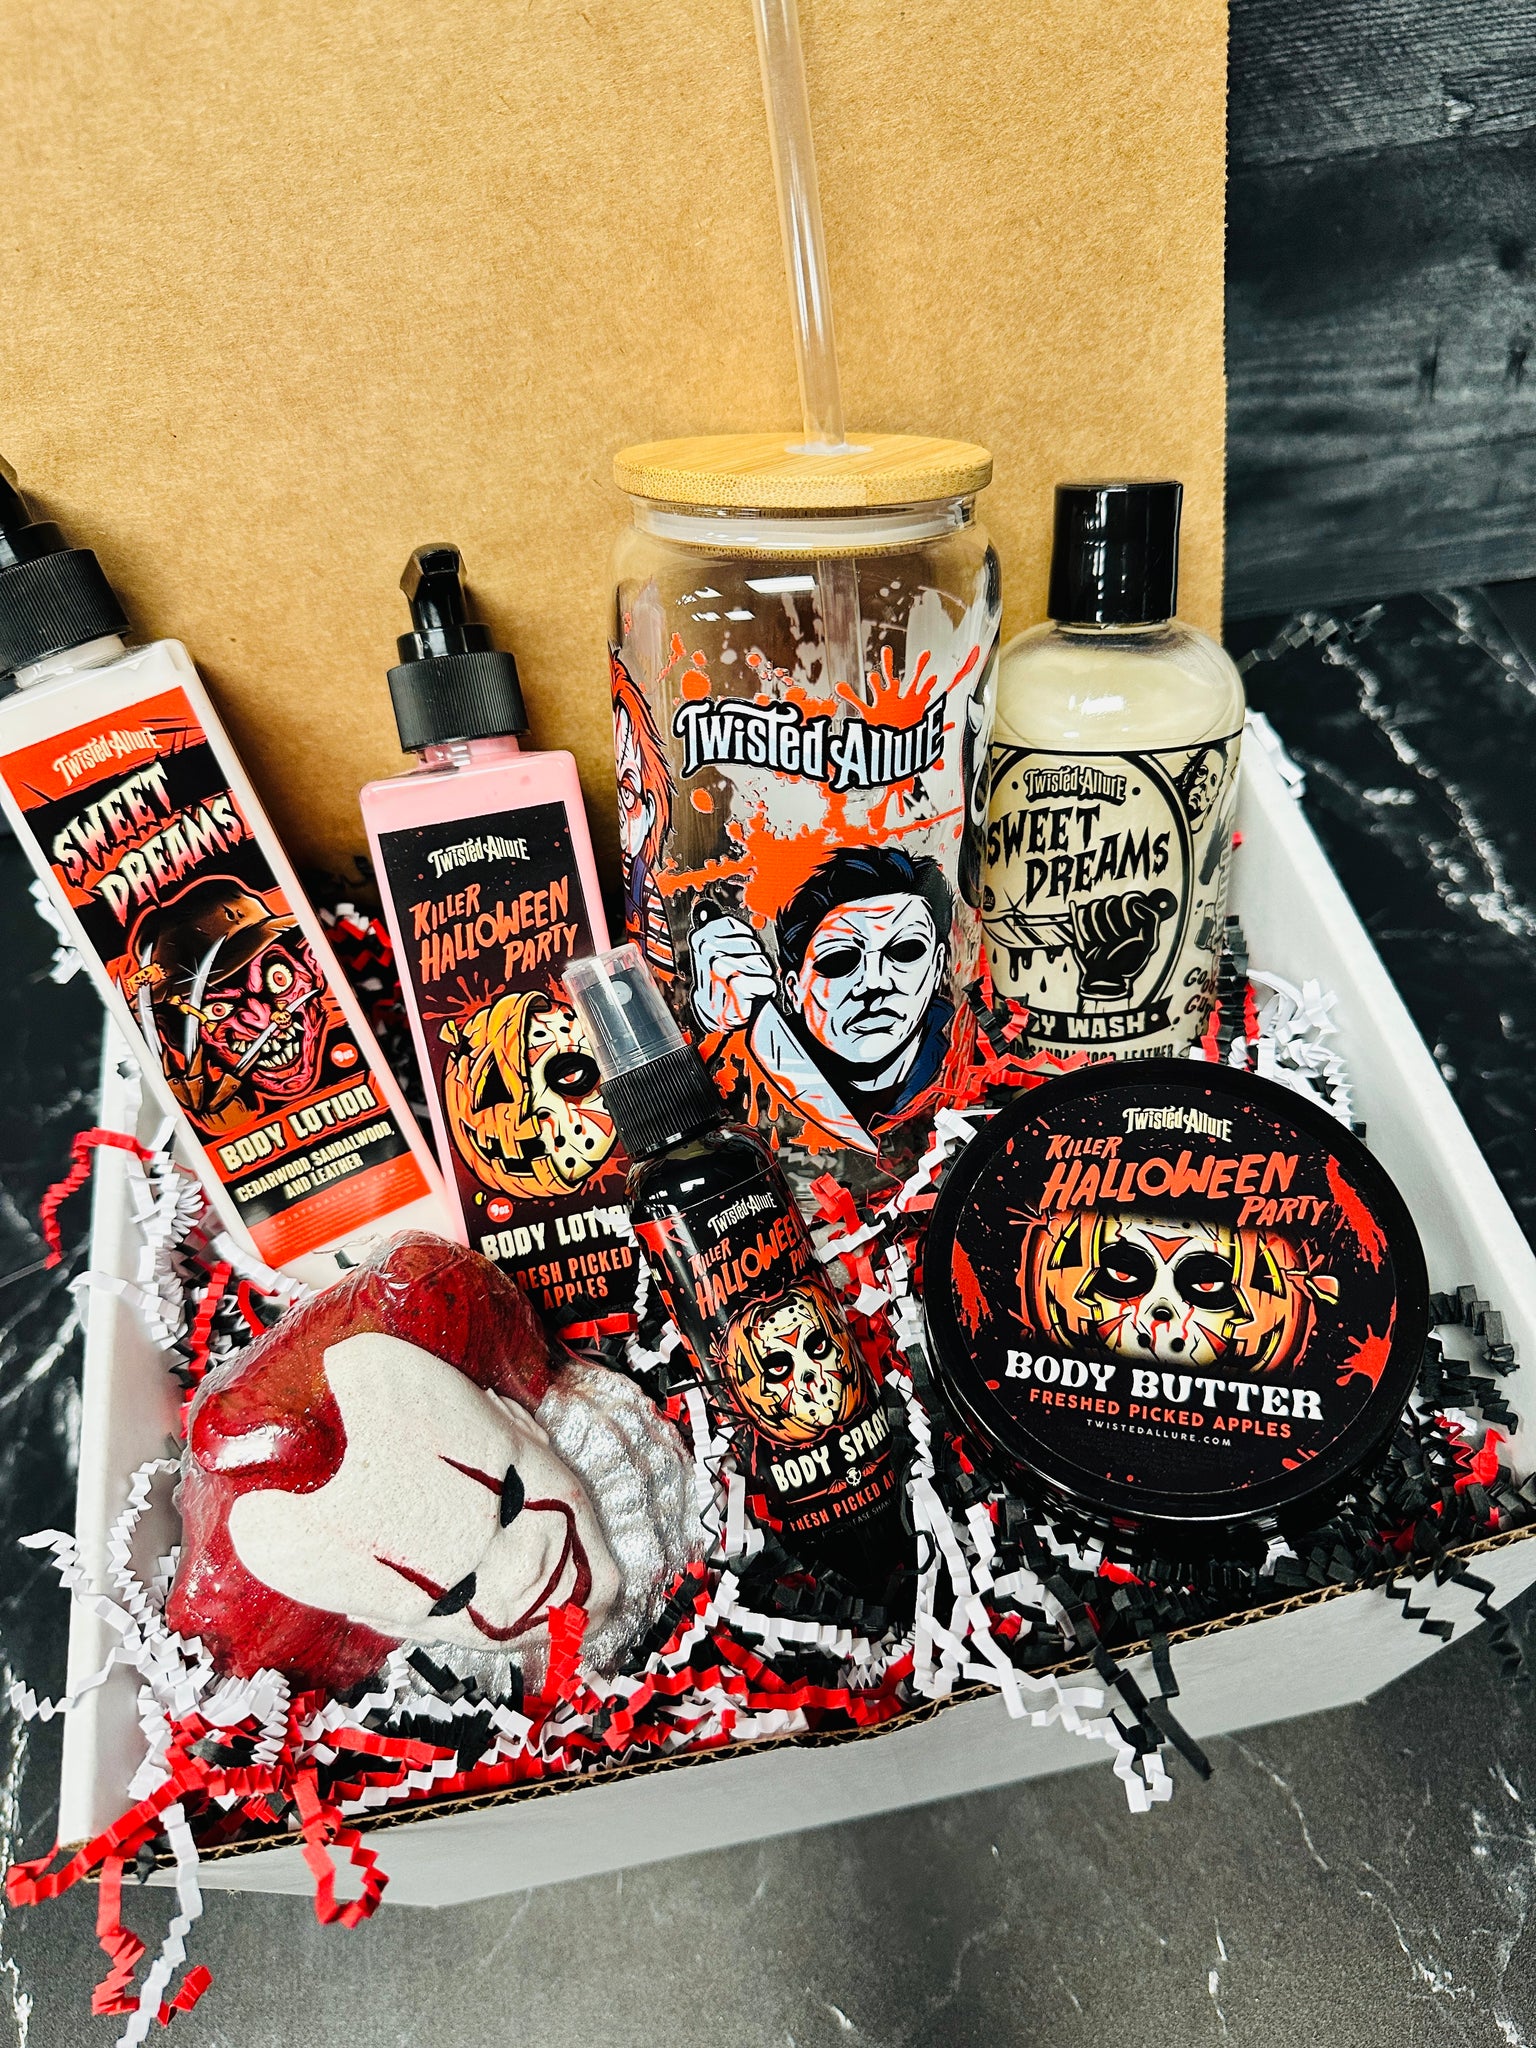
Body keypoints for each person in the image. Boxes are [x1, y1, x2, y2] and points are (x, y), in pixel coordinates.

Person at [690, 845, 953, 1127]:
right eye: (839, 960)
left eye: (904, 951)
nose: (875, 982)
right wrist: (719, 1035)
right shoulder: (763, 1073)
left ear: (937, 965)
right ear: (793, 989)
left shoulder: (956, 1055)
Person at [609, 651, 675, 979]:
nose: (625, 813)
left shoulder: (648, 888)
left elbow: (667, 974)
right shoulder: (634, 877)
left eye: (630, 794)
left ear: (651, 810)